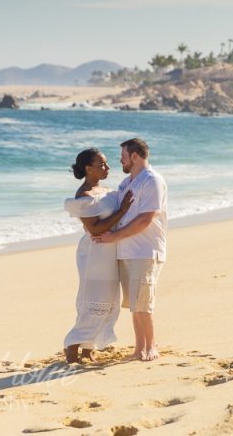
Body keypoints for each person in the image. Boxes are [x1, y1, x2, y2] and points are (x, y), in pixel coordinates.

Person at [92, 138, 167, 361]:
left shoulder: (152, 180)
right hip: (126, 251)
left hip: (146, 250)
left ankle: (151, 347)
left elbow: (146, 219)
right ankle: (139, 349)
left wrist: (114, 236)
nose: (120, 161)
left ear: (135, 156)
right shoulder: (126, 184)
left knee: (144, 303)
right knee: (135, 304)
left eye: (123, 157)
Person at [62, 148, 133, 364]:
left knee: (109, 301)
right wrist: (121, 211)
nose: (107, 167)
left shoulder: (106, 190)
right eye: (101, 164)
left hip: (111, 252)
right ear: (88, 168)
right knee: (95, 300)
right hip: (94, 254)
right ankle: (72, 345)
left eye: (107, 163)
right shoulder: (83, 196)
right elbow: (94, 229)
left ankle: (88, 349)